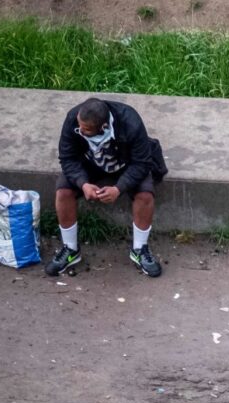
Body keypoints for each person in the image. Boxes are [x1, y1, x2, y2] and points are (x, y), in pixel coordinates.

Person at [44, 98, 168, 278]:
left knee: (146, 195)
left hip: (126, 163)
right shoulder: (73, 119)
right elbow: (67, 158)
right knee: (63, 191)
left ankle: (140, 250)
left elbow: (142, 163)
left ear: (102, 127)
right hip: (89, 162)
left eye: (85, 130)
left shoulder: (130, 122)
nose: (79, 131)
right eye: (79, 126)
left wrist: (119, 188)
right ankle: (70, 249)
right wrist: (83, 183)